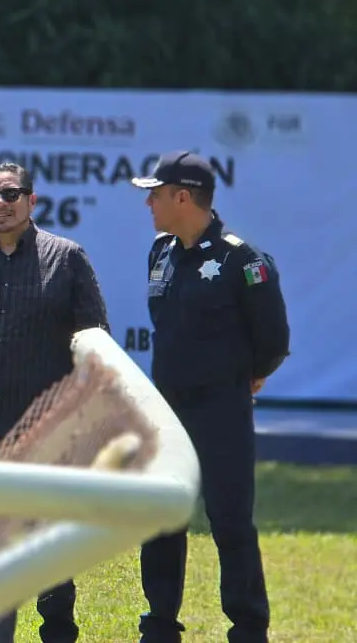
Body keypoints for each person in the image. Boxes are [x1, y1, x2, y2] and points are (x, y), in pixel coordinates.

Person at [0, 160, 109, 643]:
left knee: (49, 549)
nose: (1, 204)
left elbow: (95, 340)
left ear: (32, 200)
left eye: (11, 194)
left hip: (44, 430)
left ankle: (58, 636)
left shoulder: (66, 258)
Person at [130, 152, 289, 643]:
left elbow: (273, 338)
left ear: (183, 196)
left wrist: (245, 376)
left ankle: (248, 628)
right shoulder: (161, 252)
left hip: (221, 410)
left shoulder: (242, 260)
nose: (149, 204)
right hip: (168, 410)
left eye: (156, 194)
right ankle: (159, 625)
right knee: (162, 517)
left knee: (230, 521)